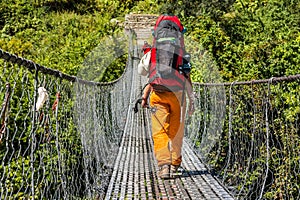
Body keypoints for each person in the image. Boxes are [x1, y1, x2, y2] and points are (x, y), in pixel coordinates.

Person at [138, 14, 195, 179]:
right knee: (176, 132)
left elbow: (144, 72)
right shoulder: (182, 54)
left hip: (159, 94)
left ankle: (164, 166)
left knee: (159, 131)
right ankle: (175, 165)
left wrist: (144, 97)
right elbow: (187, 77)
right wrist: (192, 99)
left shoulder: (154, 53)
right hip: (178, 96)